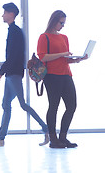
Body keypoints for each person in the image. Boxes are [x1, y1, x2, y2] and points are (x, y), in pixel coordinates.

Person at [0, 2, 49, 147]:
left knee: (22, 104)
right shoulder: (13, 30)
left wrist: (1, 72)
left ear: (11, 14)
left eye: (4, 12)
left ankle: (46, 129)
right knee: (6, 104)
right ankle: (0, 138)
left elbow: (12, 56)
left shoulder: (15, 31)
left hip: (14, 74)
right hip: (11, 74)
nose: (2, 15)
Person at [37, 10, 88, 148]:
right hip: (52, 76)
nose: (62, 25)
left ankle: (63, 137)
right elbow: (42, 57)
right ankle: (53, 139)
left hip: (66, 74)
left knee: (72, 105)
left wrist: (77, 60)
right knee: (54, 106)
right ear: (53, 21)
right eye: (61, 22)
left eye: (64, 23)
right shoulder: (44, 37)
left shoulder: (64, 37)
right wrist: (62, 54)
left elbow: (64, 59)